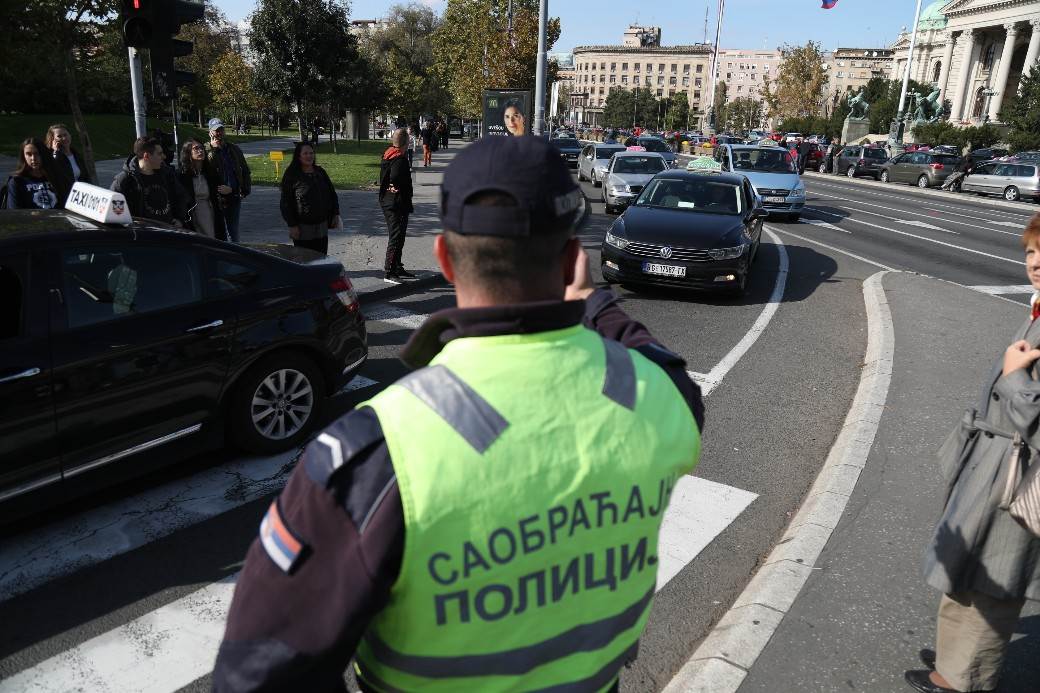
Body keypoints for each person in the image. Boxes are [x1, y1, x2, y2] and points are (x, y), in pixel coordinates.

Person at [212, 135, 704, 692]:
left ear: (444, 258)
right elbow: (666, 368)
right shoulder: (656, 398)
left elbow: (254, 680)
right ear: (573, 260)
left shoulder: (381, 452)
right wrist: (597, 304)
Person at [906, 212, 1040, 693]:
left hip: (1018, 475)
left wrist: (1015, 376)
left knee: (994, 581)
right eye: (1030, 251)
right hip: (997, 459)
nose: (1036, 262)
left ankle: (963, 679)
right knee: (968, 567)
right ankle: (953, 656)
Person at [279, 142, 340, 255]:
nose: (309, 156)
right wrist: (292, 225)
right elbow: (285, 203)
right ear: (299, 156)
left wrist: (336, 213)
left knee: (321, 259)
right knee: (304, 260)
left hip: (321, 226)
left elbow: (332, 194)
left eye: (311, 153)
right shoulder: (292, 174)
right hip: (303, 228)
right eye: (305, 153)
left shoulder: (320, 172)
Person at [110, 136, 185, 226]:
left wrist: (180, 219)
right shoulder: (124, 181)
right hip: (144, 238)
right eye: (159, 154)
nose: (164, 157)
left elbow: (180, 198)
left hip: (169, 234)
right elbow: (114, 213)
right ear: (146, 156)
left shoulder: (167, 174)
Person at [205, 118, 251, 243]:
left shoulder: (233, 149)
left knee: (233, 232)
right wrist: (212, 149)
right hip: (216, 199)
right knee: (218, 232)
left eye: (221, 130)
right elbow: (207, 172)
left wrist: (245, 189)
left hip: (234, 196)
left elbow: (245, 170)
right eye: (215, 131)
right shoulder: (206, 150)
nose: (219, 133)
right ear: (210, 132)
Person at [379, 128, 415, 282]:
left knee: (399, 236)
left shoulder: (388, 154)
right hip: (396, 203)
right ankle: (389, 271)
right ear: (406, 142)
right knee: (396, 236)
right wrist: (399, 187)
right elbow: (395, 177)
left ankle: (397, 267)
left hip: (389, 200)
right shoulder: (400, 159)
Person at [177, 139, 220, 238]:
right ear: (188, 152)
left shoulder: (210, 173)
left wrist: (227, 189)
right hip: (191, 215)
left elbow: (219, 189)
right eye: (196, 148)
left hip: (209, 212)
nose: (200, 151)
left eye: (202, 148)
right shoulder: (181, 175)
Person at [6, 138, 60, 209]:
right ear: (23, 156)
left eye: (37, 153)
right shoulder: (16, 181)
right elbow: (14, 212)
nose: (33, 158)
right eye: (28, 154)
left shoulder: (56, 177)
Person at [45, 123, 92, 205]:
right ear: (52, 140)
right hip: (63, 200)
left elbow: (85, 177)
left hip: (80, 198)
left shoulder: (76, 155)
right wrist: (56, 153)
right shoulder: (50, 157)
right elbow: (53, 174)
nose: (64, 138)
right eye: (59, 136)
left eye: (65, 134)